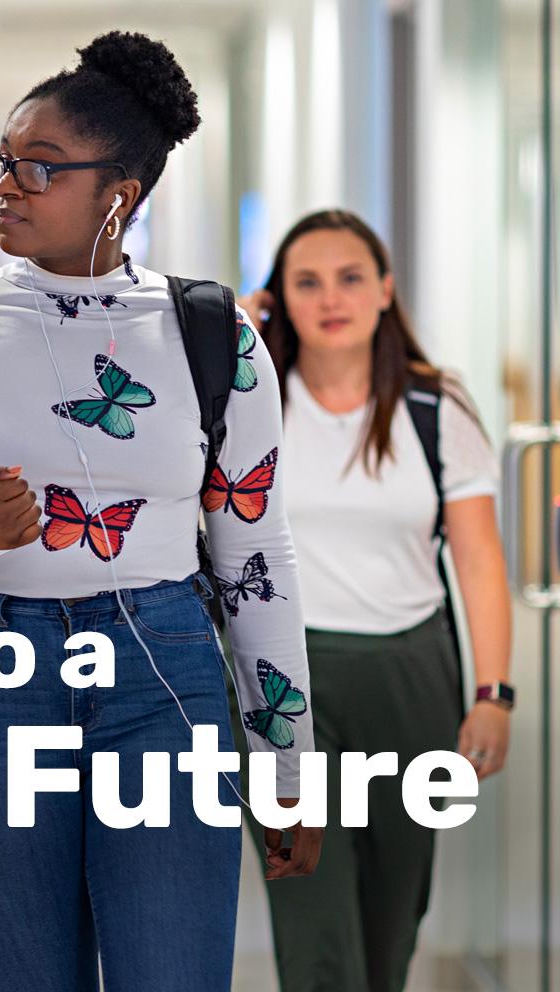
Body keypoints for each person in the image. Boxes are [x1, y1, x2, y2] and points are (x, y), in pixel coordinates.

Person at [0, 30, 321, 992]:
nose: (4, 186)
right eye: (1, 162)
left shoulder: (211, 332)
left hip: (161, 668)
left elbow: (255, 551)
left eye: (39, 169)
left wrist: (286, 755)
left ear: (119, 194)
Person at [236, 208, 512, 992]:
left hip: (409, 676)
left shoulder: (436, 408)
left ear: (385, 290)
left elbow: (480, 560)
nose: (332, 298)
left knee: (394, 919)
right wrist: (236, 333)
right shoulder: (248, 402)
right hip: (284, 682)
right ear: (277, 298)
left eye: (351, 278)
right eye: (307, 282)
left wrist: (493, 695)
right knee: (314, 920)